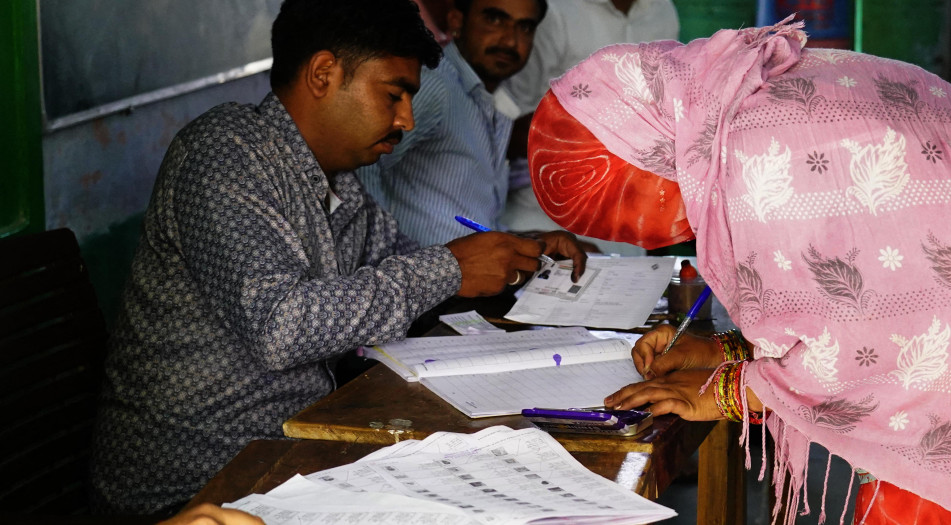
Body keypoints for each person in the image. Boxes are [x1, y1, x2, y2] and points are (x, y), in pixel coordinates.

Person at [528, 18, 951, 524]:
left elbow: (856, 346)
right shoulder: (732, 100)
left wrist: (723, 392)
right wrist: (724, 351)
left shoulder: (753, 156)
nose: (682, 220)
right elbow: (860, 296)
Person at [90, 0, 586, 515]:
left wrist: (511, 254)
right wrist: (450, 268)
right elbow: (279, 325)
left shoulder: (339, 186)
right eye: (393, 94)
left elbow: (406, 273)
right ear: (323, 74)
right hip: (196, 487)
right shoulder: (224, 152)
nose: (406, 119)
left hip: (296, 454)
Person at [358, 0, 551, 246]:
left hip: (464, 276)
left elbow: (469, 222)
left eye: (524, 28)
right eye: (494, 20)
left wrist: (534, 243)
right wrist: (385, 253)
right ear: (456, 20)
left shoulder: (491, 104)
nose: (510, 41)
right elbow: (362, 163)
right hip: (421, 278)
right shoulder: (433, 84)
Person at [498, 0, 679, 255]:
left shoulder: (663, 12)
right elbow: (505, 124)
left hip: (628, 229)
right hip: (543, 225)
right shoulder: (557, 10)